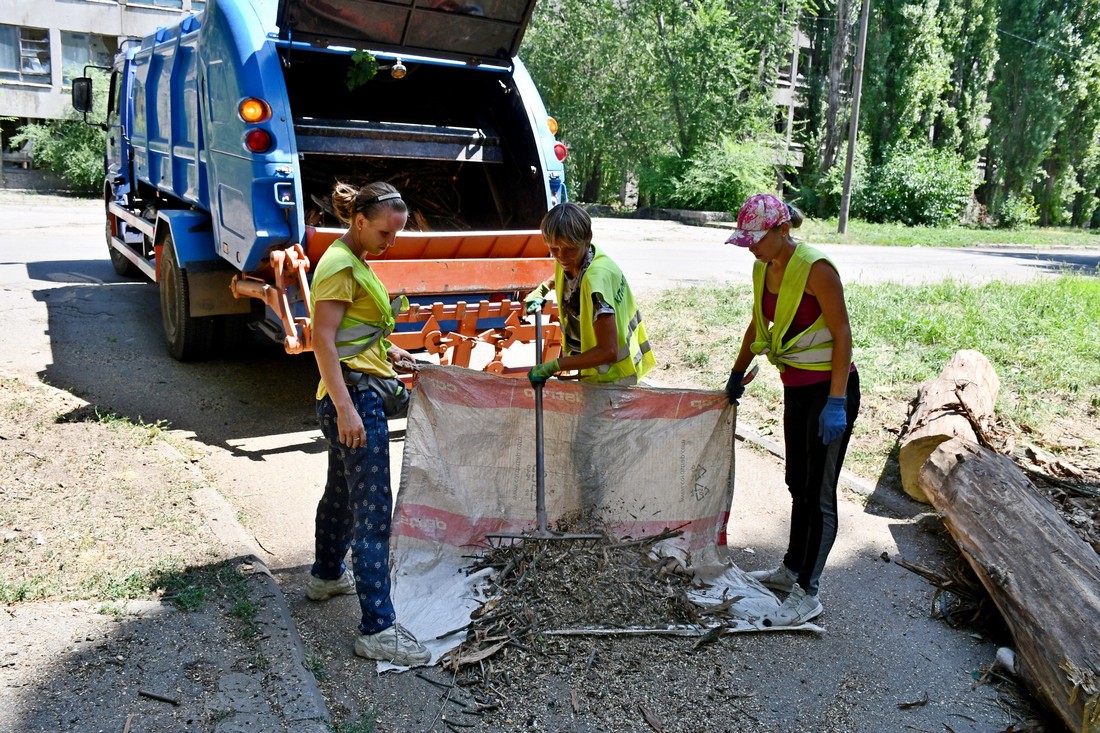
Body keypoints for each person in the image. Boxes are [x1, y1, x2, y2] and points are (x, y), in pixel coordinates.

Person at [304, 180, 430, 666]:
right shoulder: (339, 265)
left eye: (395, 234)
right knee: (374, 513)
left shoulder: (354, 261)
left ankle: (326, 575)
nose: (390, 241)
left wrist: (396, 352)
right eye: (384, 232)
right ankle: (377, 628)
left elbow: (359, 334)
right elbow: (323, 341)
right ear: (358, 221)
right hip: (354, 402)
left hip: (352, 394)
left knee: (340, 494)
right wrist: (347, 409)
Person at [724, 193, 861, 627]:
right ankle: (790, 570)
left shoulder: (817, 268)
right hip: (796, 388)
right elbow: (757, 324)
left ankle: (809, 591)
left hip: (829, 392)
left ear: (783, 231)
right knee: (795, 482)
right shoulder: (762, 266)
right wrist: (736, 370)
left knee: (819, 494)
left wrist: (837, 402)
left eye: (757, 238)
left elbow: (842, 334)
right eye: (746, 240)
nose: (751, 246)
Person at [524, 202, 655, 386]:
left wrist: (554, 365)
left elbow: (608, 351)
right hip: (593, 369)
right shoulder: (576, 258)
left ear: (588, 239)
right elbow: (565, 274)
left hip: (612, 376)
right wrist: (544, 288)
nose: (561, 256)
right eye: (554, 249)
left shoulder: (596, 283)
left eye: (570, 248)